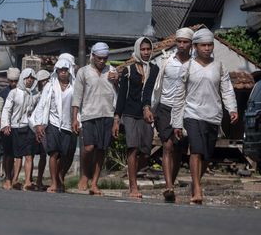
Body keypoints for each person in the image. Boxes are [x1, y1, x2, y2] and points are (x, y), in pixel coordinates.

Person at [172, 28, 238, 204]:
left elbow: (227, 89)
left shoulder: (219, 66)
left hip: (213, 115)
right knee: (196, 150)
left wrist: (232, 109)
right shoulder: (187, 67)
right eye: (203, 45)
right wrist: (177, 122)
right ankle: (198, 190)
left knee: (207, 156)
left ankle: (195, 184)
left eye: (210, 45)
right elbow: (179, 96)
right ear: (195, 46)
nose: (207, 48)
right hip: (192, 114)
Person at [113, 37, 159, 198]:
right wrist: (117, 119)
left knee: (146, 151)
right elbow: (121, 96)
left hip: (146, 115)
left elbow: (150, 91)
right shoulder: (129, 70)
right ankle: (133, 186)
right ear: (138, 50)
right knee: (132, 148)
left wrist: (148, 108)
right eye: (143, 49)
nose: (146, 52)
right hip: (130, 114)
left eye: (148, 49)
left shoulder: (154, 69)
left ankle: (131, 170)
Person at [151, 27, 194, 202]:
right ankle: (168, 186)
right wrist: (151, 109)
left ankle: (171, 182)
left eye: (185, 42)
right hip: (165, 108)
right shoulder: (166, 61)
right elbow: (156, 87)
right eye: (179, 41)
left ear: (191, 44)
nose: (182, 45)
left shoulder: (194, 64)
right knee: (167, 146)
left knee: (178, 149)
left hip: (185, 110)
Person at [72, 42, 119, 195]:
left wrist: (117, 81)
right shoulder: (83, 72)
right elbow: (77, 97)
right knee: (88, 147)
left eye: (105, 58)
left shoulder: (112, 71)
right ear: (92, 56)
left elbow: (117, 95)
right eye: (99, 58)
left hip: (107, 114)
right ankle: (85, 175)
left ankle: (95, 183)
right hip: (88, 115)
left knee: (101, 150)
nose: (102, 61)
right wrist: (75, 118)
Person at [33, 60, 77, 193]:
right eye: (60, 70)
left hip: (67, 125)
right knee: (54, 153)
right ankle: (53, 183)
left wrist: (77, 121)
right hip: (52, 123)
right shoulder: (50, 86)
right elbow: (41, 105)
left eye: (65, 69)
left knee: (64, 154)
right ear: (56, 71)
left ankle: (59, 177)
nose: (63, 72)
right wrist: (39, 124)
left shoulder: (74, 87)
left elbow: (77, 106)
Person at [1, 68, 37, 190]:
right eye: (28, 78)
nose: (30, 81)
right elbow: (7, 109)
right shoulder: (14, 93)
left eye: (32, 79)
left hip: (29, 127)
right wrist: (6, 124)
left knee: (29, 155)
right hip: (16, 127)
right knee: (17, 156)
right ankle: (14, 179)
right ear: (23, 78)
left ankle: (27, 182)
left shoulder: (34, 94)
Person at [0, 67, 20, 189]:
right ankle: (8, 177)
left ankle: (15, 178)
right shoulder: (3, 93)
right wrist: (1, 122)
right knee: (8, 154)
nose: (13, 83)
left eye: (16, 81)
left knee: (18, 154)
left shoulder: (23, 92)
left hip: (19, 126)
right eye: (11, 81)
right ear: (8, 80)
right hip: (6, 128)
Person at [33, 69, 51, 190]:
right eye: (41, 81)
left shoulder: (51, 92)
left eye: (45, 80)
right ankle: (29, 180)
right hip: (33, 127)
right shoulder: (34, 94)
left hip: (46, 127)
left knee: (44, 155)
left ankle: (39, 180)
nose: (43, 83)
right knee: (30, 155)